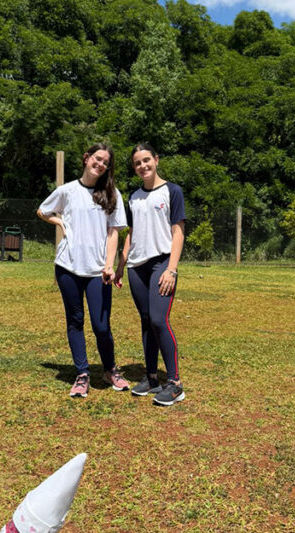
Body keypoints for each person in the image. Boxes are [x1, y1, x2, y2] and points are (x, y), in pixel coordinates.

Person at [37, 143, 129, 398]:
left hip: (98, 270)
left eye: (106, 162)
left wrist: (109, 265)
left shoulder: (112, 194)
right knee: (75, 321)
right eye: (97, 159)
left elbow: (113, 233)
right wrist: (59, 222)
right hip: (68, 267)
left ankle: (110, 370)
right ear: (87, 158)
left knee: (101, 325)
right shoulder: (67, 191)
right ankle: (82, 374)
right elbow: (42, 211)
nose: (100, 164)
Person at [118, 143, 186, 406]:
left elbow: (178, 232)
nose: (142, 166)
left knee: (159, 320)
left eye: (146, 160)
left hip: (161, 263)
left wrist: (171, 268)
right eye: (137, 163)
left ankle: (175, 384)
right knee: (146, 321)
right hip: (137, 267)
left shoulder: (172, 191)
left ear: (156, 160)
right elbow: (131, 233)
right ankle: (152, 378)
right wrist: (121, 265)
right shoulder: (134, 197)